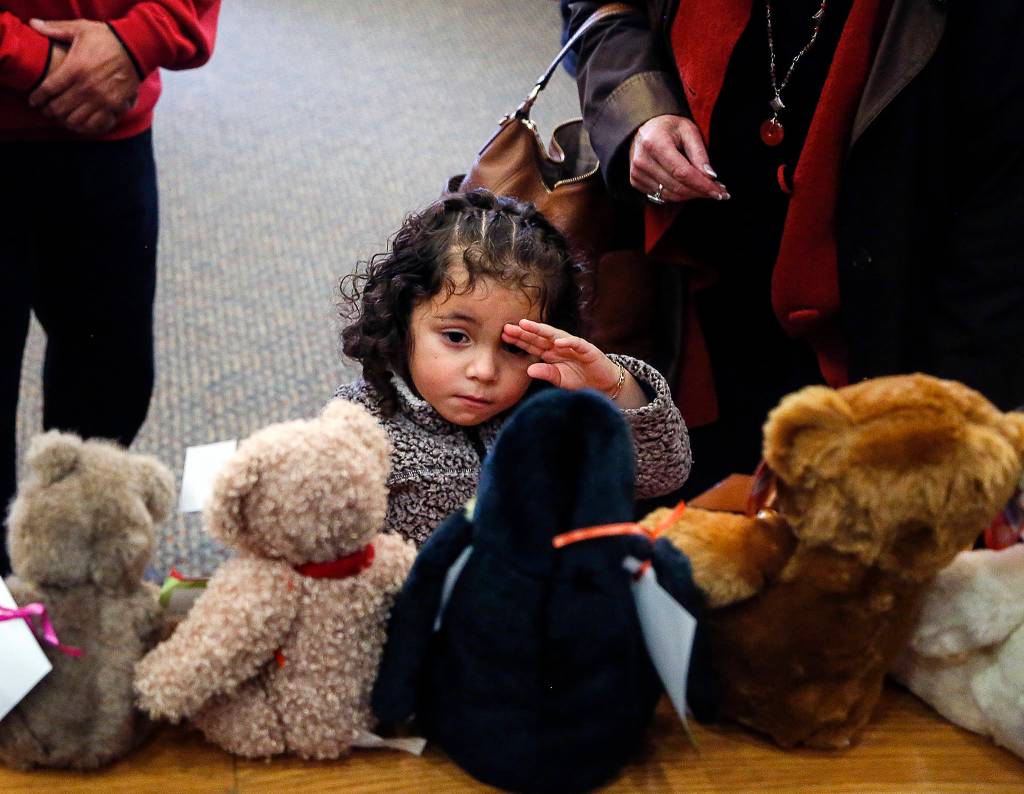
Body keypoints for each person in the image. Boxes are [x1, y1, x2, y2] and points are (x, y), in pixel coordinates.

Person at [567, 1, 1024, 496]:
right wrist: (638, 111)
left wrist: (947, 441)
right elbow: (600, 10)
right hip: (679, 331)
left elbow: (998, 244)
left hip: (879, 360)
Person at [336, 190, 691, 546]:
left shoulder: (550, 411)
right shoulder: (360, 427)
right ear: (402, 318)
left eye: (514, 347)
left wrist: (613, 388)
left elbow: (662, 474)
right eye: (456, 337)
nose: (485, 370)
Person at [0, 2, 220, 574]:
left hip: (107, 123)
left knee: (110, 380)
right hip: (65, 85)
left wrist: (139, 38)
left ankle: (70, 579)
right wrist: (29, 58)